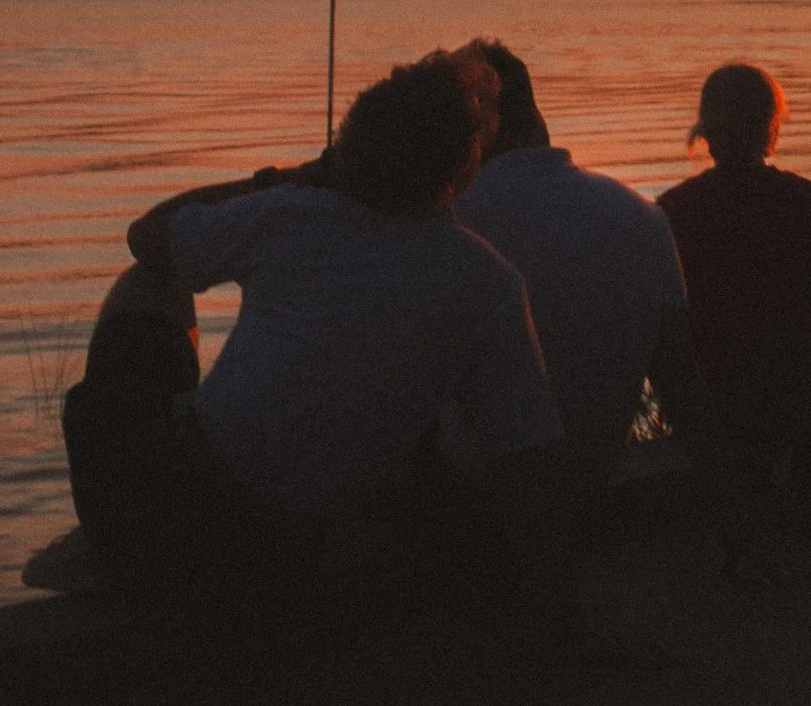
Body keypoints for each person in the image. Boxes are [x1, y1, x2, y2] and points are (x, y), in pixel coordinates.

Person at [50, 49, 577, 633]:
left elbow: (146, 237)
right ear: (463, 167)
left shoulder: (291, 213)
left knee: (148, 282)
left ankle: (110, 546)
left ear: (350, 146)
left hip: (161, 516)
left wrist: (288, 177)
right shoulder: (490, 282)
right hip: (286, 556)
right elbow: (531, 463)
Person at [450, 43, 728, 497]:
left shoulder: (449, 222)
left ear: (473, 127)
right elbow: (682, 389)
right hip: (588, 490)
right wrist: (735, 524)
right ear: (534, 113)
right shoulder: (642, 217)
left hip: (470, 505)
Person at [657, 65, 811, 472]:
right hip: (797, 394)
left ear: (706, 130)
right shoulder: (810, 201)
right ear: (770, 127)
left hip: (711, 403)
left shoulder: (672, 210)